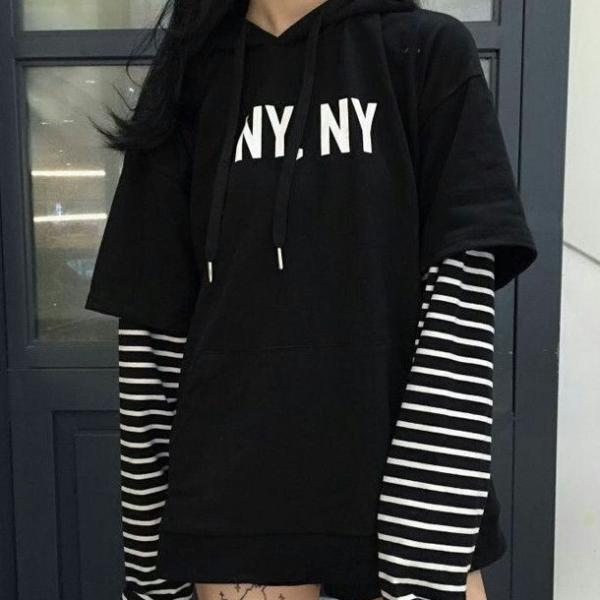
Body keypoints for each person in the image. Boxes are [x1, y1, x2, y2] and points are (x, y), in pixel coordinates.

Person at [85, 1, 538, 600]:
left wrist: (423, 558)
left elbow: (457, 322)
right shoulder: (191, 79)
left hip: (409, 493)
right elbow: (152, 337)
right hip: (237, 499)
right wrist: (151, 576)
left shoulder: (424, 52)